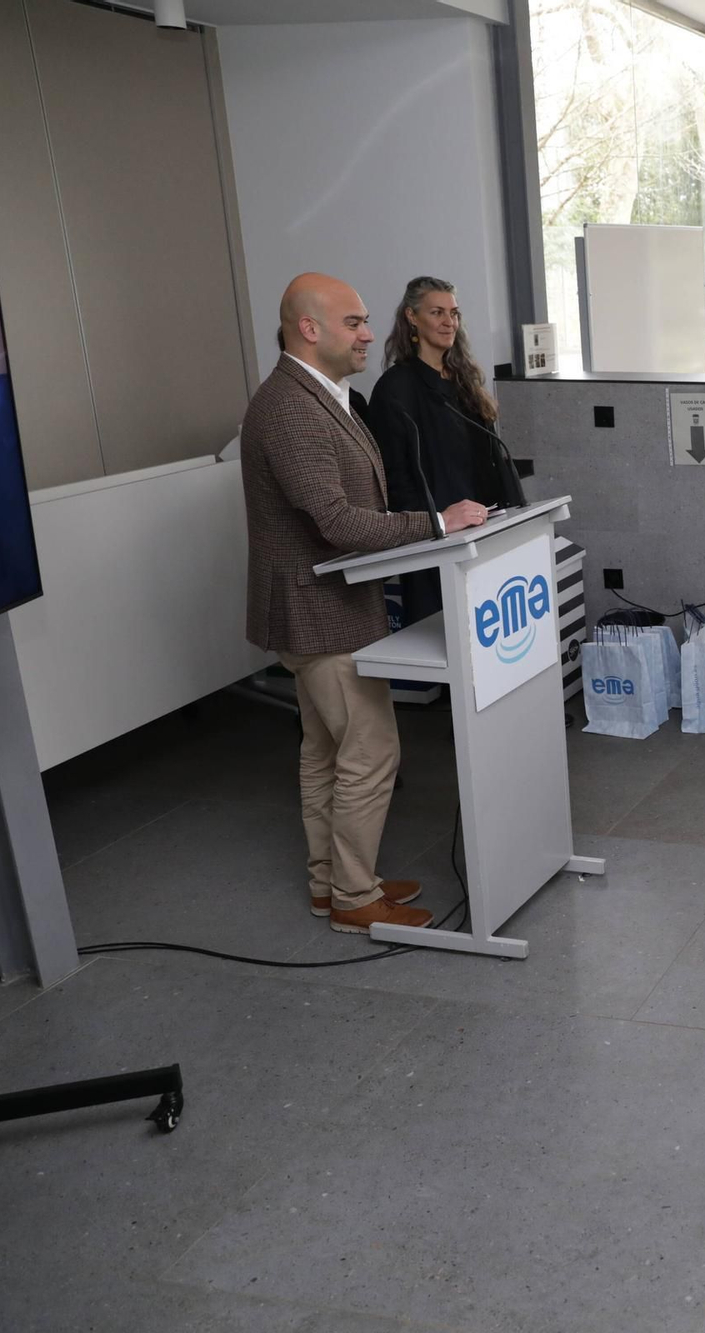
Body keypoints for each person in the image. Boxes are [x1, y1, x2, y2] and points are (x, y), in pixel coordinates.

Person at [241, 273, 489, 933]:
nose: (369, 333)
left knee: (325, 750)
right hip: (320, 613)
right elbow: (339, 523)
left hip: (326, 607)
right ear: (310, 329)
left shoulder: (323, 397)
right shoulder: (290, 407)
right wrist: (437, 524)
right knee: (371, 749)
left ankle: (333, 884)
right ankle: (354, 897)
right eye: (354, 322)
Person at [369, 275, 514, 627]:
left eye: (454, 313)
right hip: (438, 541)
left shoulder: (463, 379)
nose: (449, 322)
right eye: (437, 312)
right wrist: (435, 525)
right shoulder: (396, 389)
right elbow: (393, 479)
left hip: (485, 528)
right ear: (411, 317)